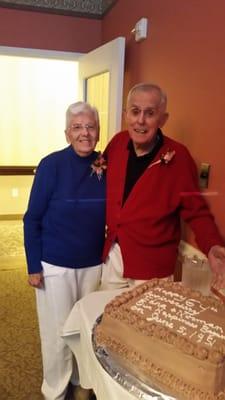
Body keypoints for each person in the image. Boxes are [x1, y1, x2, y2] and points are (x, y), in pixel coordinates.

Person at [100, 82, 225, 291]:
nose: (140, 120)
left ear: (162, 119)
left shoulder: (180, 157)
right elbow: (97, 182)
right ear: (125, 115)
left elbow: (197, 211)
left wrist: (212, 244)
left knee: (144, 323)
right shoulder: (117, 143)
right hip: (114, 255)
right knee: (107, 318)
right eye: (135, 111)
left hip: (153, 266)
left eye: (150, 113)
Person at [23, 101, 106, 400]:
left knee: (86, 330)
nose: (85, 133)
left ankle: (80, 381)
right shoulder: (51, 165)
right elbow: (31, 218)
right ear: (67, 133)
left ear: (98, 131)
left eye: (91, 126)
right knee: (58, 333)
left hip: (93, 264)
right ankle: (55, 390)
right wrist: (33, 265)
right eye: (77, 127)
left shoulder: (106, 164)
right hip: (54, 265)